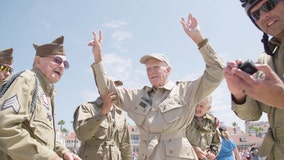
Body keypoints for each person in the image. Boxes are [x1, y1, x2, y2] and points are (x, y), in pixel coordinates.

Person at [89, 13, 224, 159]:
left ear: (168, 70)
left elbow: (217, 72)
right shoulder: (138, 96)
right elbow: (107, 91)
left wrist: (199, 40)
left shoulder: (186, 90)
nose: (151, 72)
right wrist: (98, 58)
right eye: (148, 69)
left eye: (156, 67)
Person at [0, 36, 81, 160]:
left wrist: (63, 152)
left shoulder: (46, 91)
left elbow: (43, 137)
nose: (62, 66)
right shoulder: (27, 80)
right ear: (37, 61)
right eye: (57, 60)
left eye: (66, 64)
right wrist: (49, 157)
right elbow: (5, 127)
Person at [223, 0, 284, 159]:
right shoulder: (265, 61)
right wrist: (239, 95)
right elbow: (252, 115)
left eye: (269, 5)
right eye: (255, 14)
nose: (264, 15)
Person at [73, 80, 133, 160]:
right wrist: (102, 113)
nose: (115, 90)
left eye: (116, 87)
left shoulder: (120, 114)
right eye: (110, 87)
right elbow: (82, 135)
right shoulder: (86, 108)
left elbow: (126, 145)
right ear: (99, 89)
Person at [186, 95, 222, 160]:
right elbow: (176, 140)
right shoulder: (184, 119)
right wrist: (192, 149)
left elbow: (217, 142)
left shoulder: (213, 122)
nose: (197, 108)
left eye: (201, 106)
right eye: (196, 105)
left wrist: (212, 152)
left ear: (208, 108)